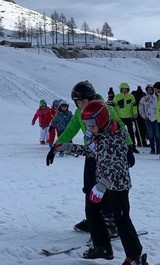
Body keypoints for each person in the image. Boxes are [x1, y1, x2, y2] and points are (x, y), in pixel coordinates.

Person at [56, 101, 147, 265]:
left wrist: (102, 184)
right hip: (103, 185)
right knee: (92, 209)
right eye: (87, 125)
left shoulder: (115, 137)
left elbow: (119, 167)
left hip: (118, 186)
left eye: (91, 124)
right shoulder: (98, 135)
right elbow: (92, 153)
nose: (89, 128)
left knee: (121, 218)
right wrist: (68, 147)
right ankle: (102, 247)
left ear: (102, 119)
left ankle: (135, 256)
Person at [46, 81, 134, 237]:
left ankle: (110, 220)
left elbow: (120, 126)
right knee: (88, 188)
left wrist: (128, 148)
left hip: (108, 155)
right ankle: (94, 218)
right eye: (77, 102)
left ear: (91, 97)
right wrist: (55, 147)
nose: (80, 105)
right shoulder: (79, 114)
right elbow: (69, 132)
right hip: (91, 153)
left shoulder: (104, 109)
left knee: (106, 187)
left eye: (83, 101)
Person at [113, 82, 140, 153]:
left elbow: (134, 106)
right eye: (123, 89)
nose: (124, 90)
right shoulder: (117, 97)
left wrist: (135, 113)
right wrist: (114, 116)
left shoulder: (131, 96)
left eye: (126, 89)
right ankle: (119, 146)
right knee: (119, 133)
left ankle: (133, 146)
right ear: (120, 89)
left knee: (131, 132)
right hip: (119, 118)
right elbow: (113, 107)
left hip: (128, 117)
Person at [138, 85, 160, 154]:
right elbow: (141, 108)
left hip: (156, 119)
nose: (149, 91)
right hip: (148, 119)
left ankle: (158, 149)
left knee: (157, 135)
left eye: (151, 90)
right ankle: (152, 149)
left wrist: (159, 116)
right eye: (148, 90)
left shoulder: (157, 98)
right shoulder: (143, 98)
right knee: (151, 135)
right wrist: (144, 116)